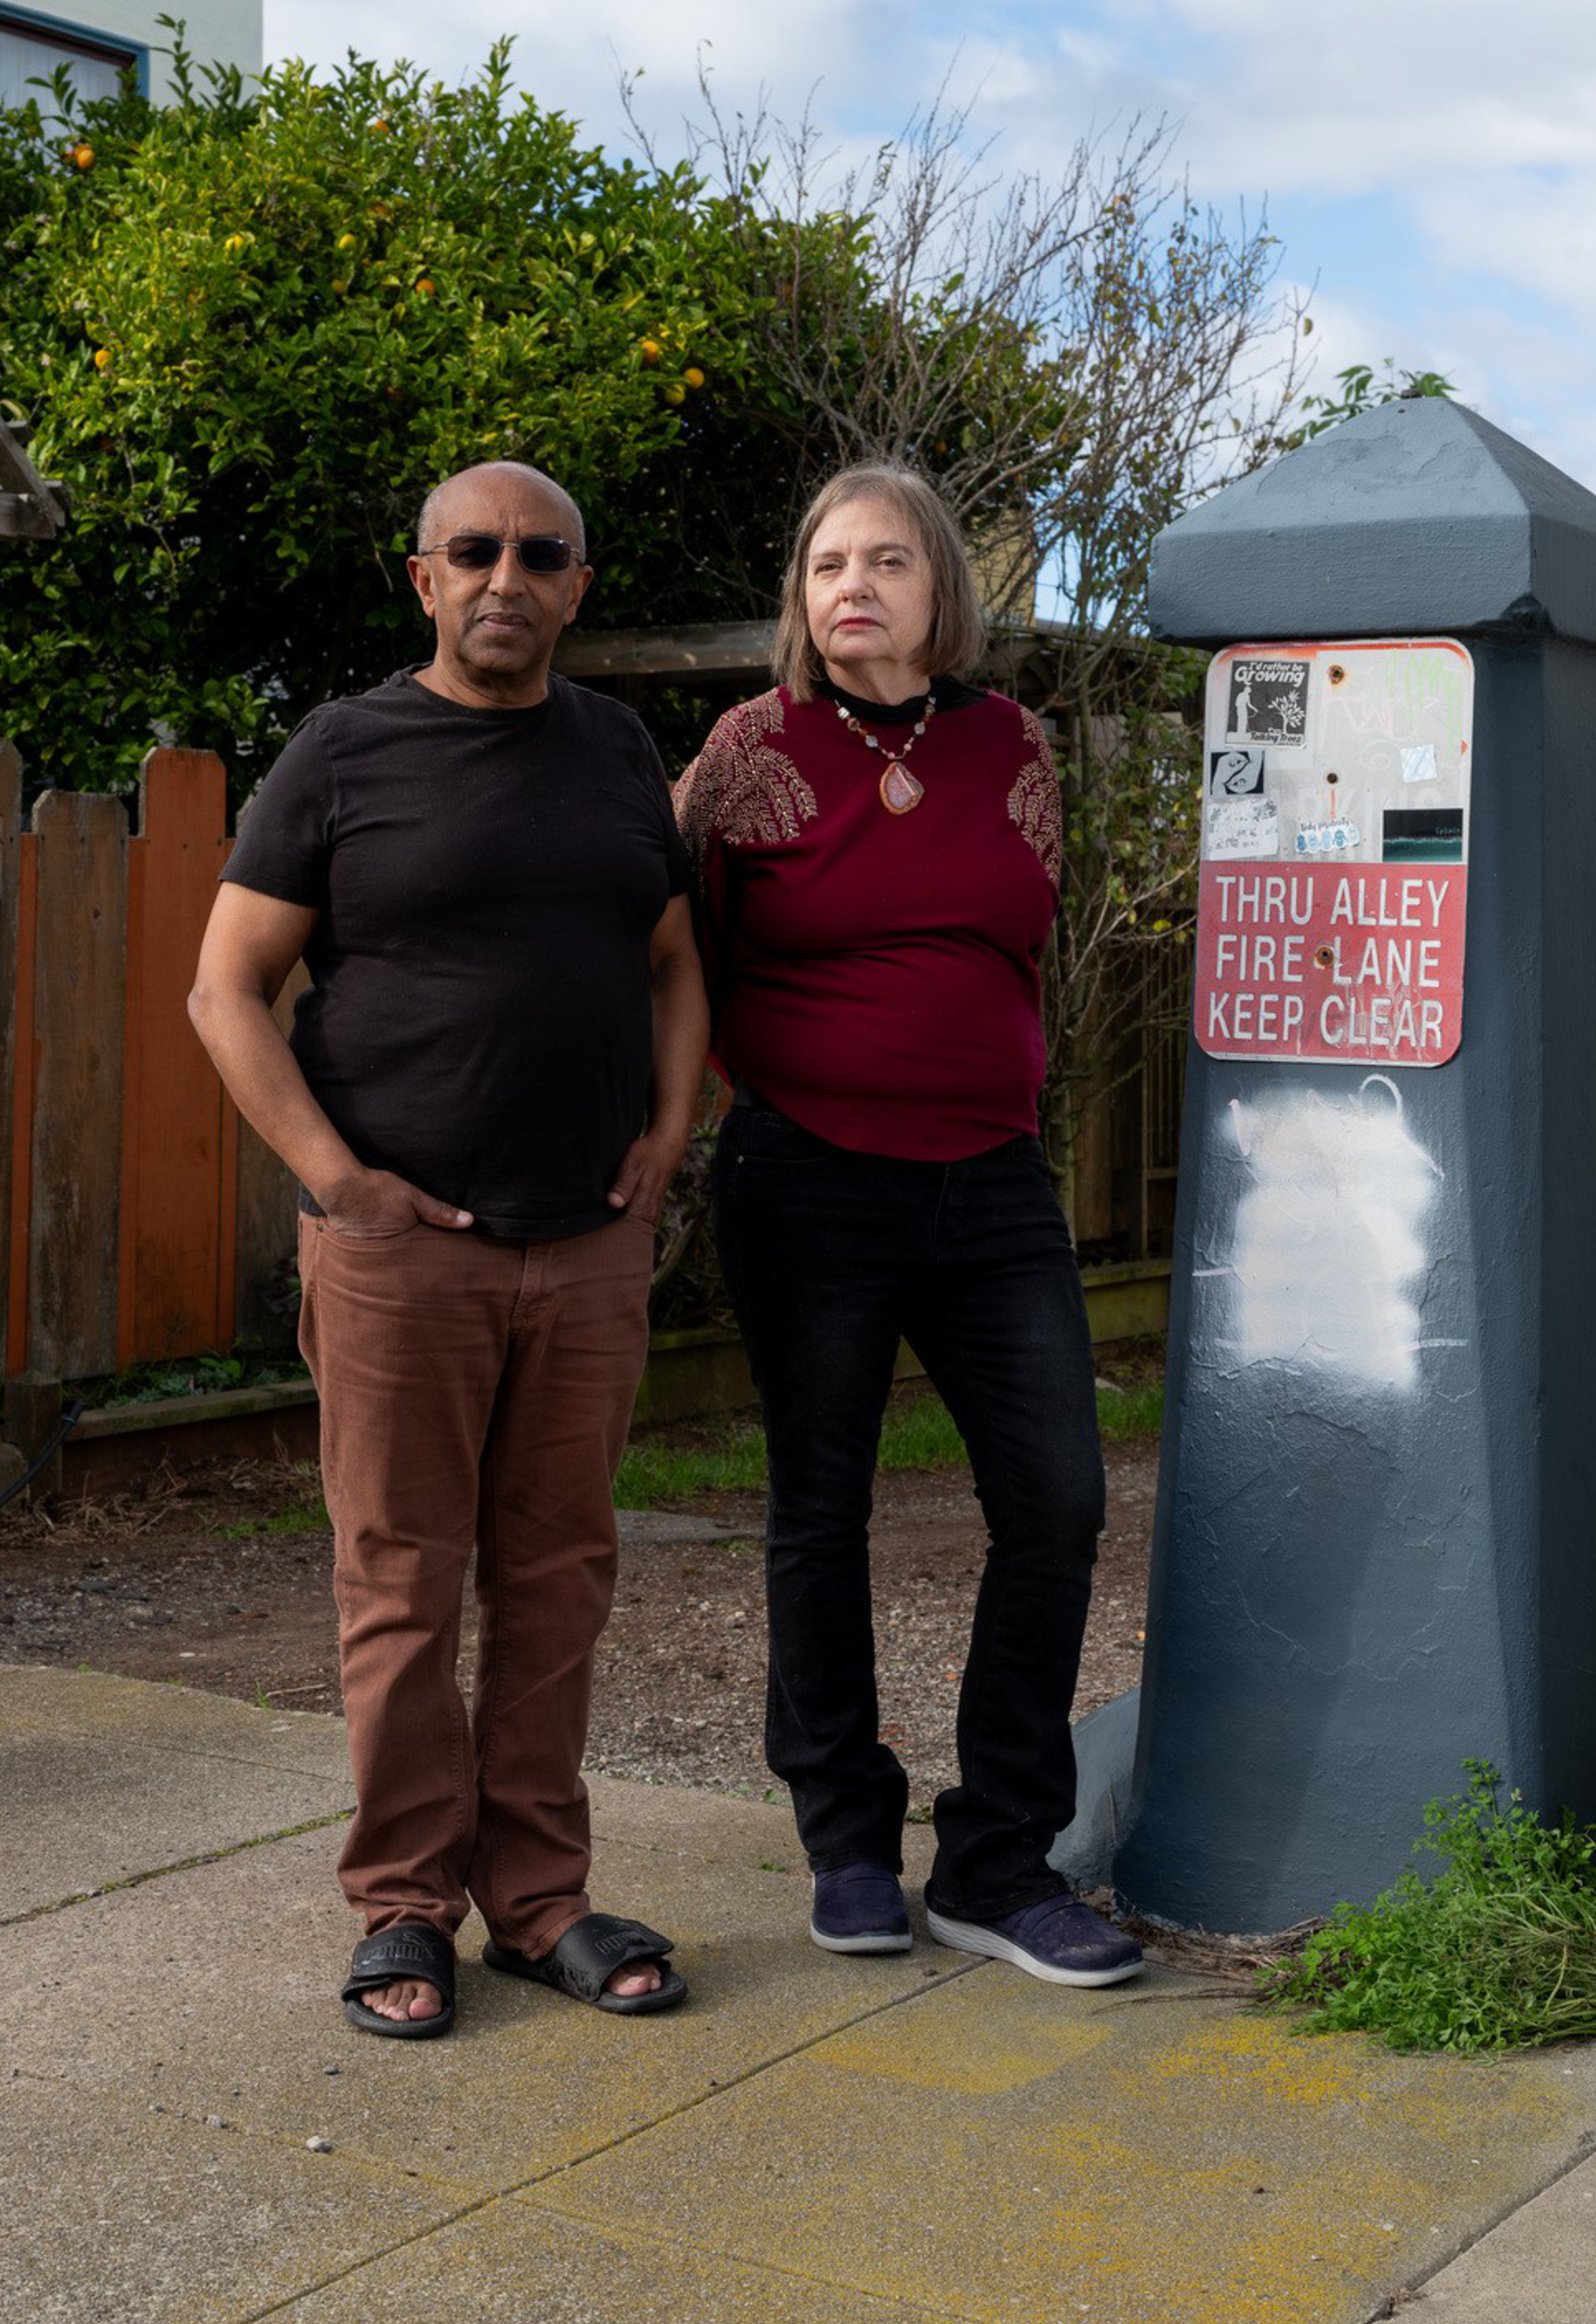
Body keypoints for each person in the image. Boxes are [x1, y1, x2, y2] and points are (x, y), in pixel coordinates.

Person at [189, 461, 708, 2041]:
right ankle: (403, 1900)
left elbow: (676, 965)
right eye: (472, 551)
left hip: (589, 1245)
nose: (505, 576)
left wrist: (667, 1133)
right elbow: (225, 988)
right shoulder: (346, 751)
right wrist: (341, 1182)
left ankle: (540, 1897)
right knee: (402, 1583)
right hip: (405, 1254)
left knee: (557, 1581)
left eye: (538, 553)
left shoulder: (619, 752)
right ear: (422, 579)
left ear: (576, 585)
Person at [669, 461, 1144, 1988]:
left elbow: (1026, 940)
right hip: (808, 1174)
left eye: (885, 559)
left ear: (943, 585)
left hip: (995, 1178)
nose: (851, 585)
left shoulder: (1013, 744)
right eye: (824, 564)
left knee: (1056, 1504)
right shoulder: (749, 751)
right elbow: (673, 947)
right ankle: (849, 1843)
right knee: (822, 1509)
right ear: (800, 599)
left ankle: (998, 1860)